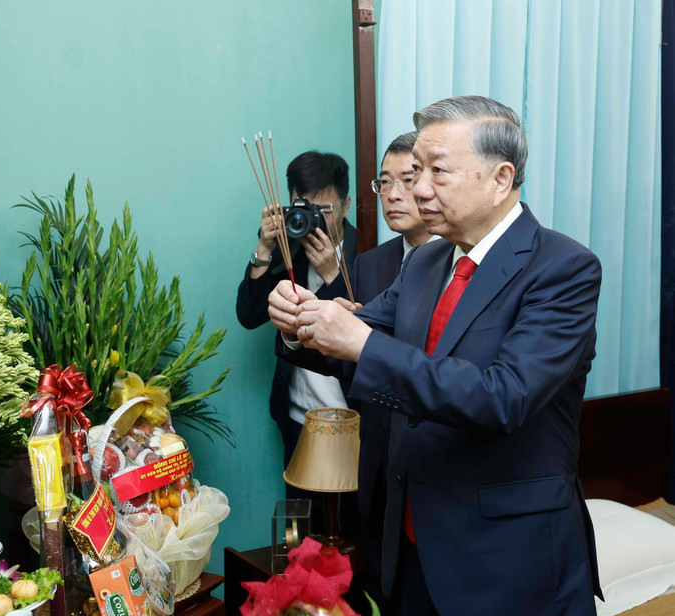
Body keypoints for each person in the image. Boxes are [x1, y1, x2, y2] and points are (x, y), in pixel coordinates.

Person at [268, 96, 603, 615]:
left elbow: (504, 396)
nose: (418, 189)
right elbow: (359, 338)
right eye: (415, 170)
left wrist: (358, 339)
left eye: (437, 171)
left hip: (506, 555)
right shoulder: (426, 262)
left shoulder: (563, 269)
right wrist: (302, 323)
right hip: (411, 540)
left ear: (500, 178)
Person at [236, 150, 356, 508]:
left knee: (353, 532)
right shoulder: (291, 249)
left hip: (354, 423)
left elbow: (371, 331)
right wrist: (264, 245)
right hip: (298, 421)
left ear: (346, 205)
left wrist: (335, 275)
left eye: (326, 210)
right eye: (303, 209)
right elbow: (250, 314)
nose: (313, 221)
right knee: (300, 532)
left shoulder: (370, 254)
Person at [354, 130, 432, 614]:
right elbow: (351, 370)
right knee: (382, 583)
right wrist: (311, 324)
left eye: (409, 179)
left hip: (435, 461)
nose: (397, 193)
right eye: (385, 182)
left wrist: (359, 339)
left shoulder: (458, 262)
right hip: (379, 452)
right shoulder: (370, 263)